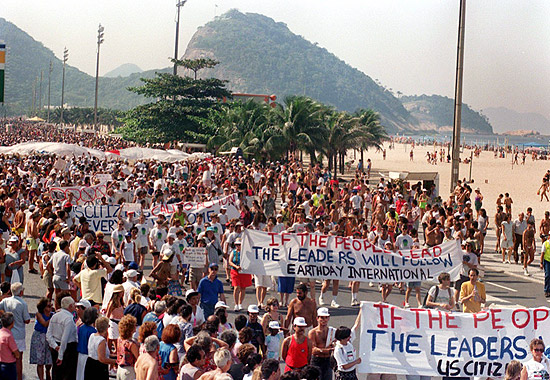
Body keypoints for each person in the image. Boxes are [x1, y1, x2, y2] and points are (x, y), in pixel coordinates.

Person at [0, 282, 30, 380]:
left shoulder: (5, 301)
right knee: (18, 359)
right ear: (21, 292)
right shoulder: (22, 303)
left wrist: (4, 315)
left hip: (7, 332)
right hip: (19, 334)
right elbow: (27, 320)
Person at [46, 296, 78, 380]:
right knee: (67, 374)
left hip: (56, 347)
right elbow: (65, 338)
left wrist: (55, 346)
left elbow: (48, 335)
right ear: (70, 306)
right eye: (74, 305)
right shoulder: (69, 319)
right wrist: (60, 355)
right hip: (67, 348)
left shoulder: (55, 316)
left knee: (56, 373)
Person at [308, 307, 336, 380]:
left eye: (326, 318)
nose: (324, 320)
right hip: (317, 360)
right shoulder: (313, 332)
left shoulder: (332, 331)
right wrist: (328, 350)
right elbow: (313, 350)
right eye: (322, 318)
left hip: (327, 360)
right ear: (317, 318)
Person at [29, 297, 53, 380]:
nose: (50, 308)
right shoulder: (38, 314)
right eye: (48, 306)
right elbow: (45, 324)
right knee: (40, 361)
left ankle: (48, 372)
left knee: (49, 359)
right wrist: (53, 318)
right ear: (43, 307)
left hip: (48, 337)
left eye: (51, 306)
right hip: (39, 337)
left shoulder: (52, 314)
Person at [228, 238, 252, 311]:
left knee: (243, 288)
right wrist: (236, 266)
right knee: (236, 287)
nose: (238, 246)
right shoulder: (233, 252)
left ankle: (240, 303)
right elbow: (230, 261)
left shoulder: (246, 253)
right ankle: (236, 304)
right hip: (235, 271)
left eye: (239, 245)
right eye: (236, 245)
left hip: (244, 271)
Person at [76, 307, 99, 380]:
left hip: (80, 355)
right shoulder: (93, 331)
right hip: (87, 356)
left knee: (79, 375)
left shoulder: (81, 327)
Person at [116, 315, 139, 380]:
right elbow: (138, 358)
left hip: (120, 369)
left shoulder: (120, 339)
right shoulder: (131, 344)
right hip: (128, 370)